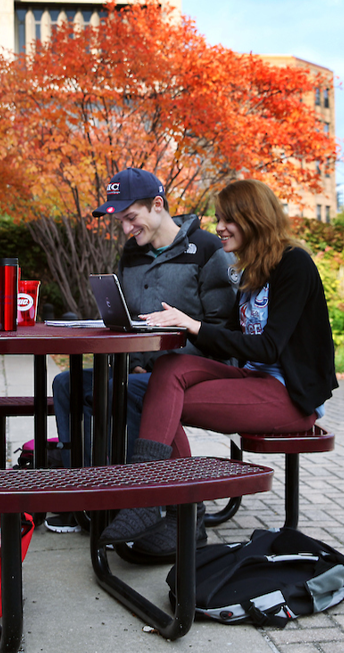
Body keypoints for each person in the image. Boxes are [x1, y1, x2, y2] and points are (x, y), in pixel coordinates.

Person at [99, 178, 338, 558]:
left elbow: (269, 345)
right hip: (255, 380)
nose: (220, 226)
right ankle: (163, 503)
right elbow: (231, 336)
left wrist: (193, 325)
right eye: (219, 217)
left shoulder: (294, 264)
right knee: (166, 372)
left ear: (254, 218)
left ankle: (174, 511)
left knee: (163, 403)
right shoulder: (252, 269)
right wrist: (180, 327)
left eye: (229, 219)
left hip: (290, 397)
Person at [46, 168, 236, 533]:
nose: (125, 229)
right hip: (142, 370)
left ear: (158, 205)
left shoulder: (209, 251)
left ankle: (138, 498)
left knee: (132, 391)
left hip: (194, 374)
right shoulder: (132, 254)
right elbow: (129, 320)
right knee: (67, 385)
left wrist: (156, 367)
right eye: (120, 220)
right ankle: (84, 493)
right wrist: (133, 361)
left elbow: (222, 333)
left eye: (130, 217)